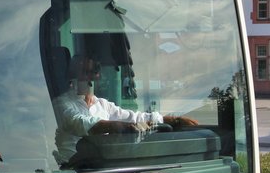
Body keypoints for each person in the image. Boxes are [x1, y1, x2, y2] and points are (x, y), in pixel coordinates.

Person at [53, 55, 196, 164]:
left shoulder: (103, 105)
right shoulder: (62, 104)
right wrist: (120, 127)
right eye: (84, 72)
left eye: (94, 71)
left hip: (100, 167)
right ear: (72, 75)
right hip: (70, 170)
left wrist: (172, 120)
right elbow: (81, 123)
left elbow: (134, 117)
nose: (91, 76)